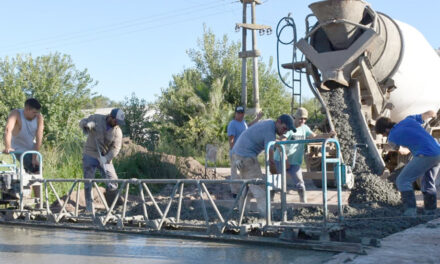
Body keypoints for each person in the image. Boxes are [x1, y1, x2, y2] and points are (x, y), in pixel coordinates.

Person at [375, 110, 440, 216]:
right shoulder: (408, 119)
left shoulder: (391, 138)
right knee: (428, 182)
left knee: (402, 180)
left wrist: (410, 146)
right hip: (437, 152)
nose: (384, 135)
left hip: (425, 154)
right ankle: (430, 211)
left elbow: (403, 151)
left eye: (383, 133)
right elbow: (429, 113)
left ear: (386, 130)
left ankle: (410, 212)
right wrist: (434, 115)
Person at [231, 114, 295, 216]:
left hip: (238, 154)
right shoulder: (270, 131)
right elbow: (270, 159)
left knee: (248, 187)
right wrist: (275, 176)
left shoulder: (269, 123)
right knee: (260, 189)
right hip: (246, 156)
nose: (285, 131)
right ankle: (267, 217)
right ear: (278, 122)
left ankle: (243, 215)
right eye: (284, 128)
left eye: (287, 130)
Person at [273, 107, 336, 203]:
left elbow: (314, 136)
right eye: (300, 118)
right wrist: (284, 158)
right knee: (277, 182)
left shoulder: (305, 128)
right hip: (281, 159)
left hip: (294, 161)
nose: (302, 121)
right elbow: (281, 143)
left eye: (305, 119)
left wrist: (327, 135)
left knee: (300, 183)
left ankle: (303, 202)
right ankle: (272, 202)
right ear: (295, 118)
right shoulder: (290, 128)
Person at [79, 108, 125, 210]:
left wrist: (106, 158)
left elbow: (116, 148)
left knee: (112, 180)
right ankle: (89, 206)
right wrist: (87, 125)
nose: (117, 123)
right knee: (88, 181)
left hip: (104, 156)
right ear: (110, 116)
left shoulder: (117, 132)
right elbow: (82, 122)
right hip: (90, 153)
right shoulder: (96, 118)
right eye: (116, 121)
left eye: (119, 122)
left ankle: (114, 206)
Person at [3, 98, 44, 200]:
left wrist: (35, 157)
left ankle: (34, 200)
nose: (35, 114)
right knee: (35, 169)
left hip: (30, 148)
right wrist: (8, 147)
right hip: (17, 148)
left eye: (37, 112)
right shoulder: (16, 114)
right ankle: (36, 200)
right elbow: (8, 129)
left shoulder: (39, 118)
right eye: (34, 112)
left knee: (34, 169)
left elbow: (39, 137)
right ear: (27, 109)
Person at [227, 106, 263, 196]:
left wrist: (257, 119)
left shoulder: (243, 123)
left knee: (243, 171)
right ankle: (234, 192)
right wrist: (234, 152)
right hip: (236, 152)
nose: (240, 115)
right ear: (235, 114)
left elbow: (249, 127)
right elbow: (231, 139)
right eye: (238, 113)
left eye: (242, 113)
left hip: (243, 152)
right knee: (236, 172)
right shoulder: (232, 124)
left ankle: (243, 190)